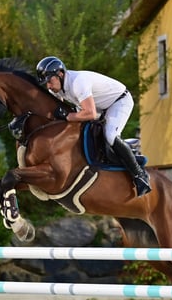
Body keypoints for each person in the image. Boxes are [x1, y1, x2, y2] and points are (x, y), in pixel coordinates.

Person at [35, 56, 151, 197]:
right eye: (46, 83)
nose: (48, 86)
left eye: (49, 81)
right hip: (98, 106)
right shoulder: (56, 88)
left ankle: (140, 175)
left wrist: (67, 117)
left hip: (118, 101)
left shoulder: (78, 82)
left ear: (60, 74)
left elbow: (90, 113)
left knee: (110, 135)